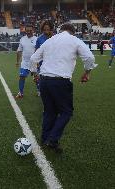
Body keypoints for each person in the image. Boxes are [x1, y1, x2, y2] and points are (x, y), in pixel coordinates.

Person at [30, 23, 97, 153]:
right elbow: (89, 57)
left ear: (60, 30)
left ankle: (44, 139)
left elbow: (33, 58)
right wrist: (87, 72)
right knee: (66, 112)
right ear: (73, 32)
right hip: (60, 80)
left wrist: (35, 74)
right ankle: (53, 139)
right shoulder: (74, 40)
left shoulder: (50, 40)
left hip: (44, 80)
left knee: (49, 111)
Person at [15, 25, 37, 99]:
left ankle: (39, 91)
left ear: (33, 30)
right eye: (27, 30)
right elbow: (19, 51)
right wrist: (17, 62)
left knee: (37, 78)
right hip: (25, 62)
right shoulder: (22, 39)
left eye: (30, 30)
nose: (29, 32)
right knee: (22, 77)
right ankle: (21, 92)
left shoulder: (37, 39)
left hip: (34, 62)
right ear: (25, 31)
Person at [34, 20, 54, 96]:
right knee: (40, 78)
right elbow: (36, 51)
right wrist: (36, 62)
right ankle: (39, 89)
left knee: (51, 78)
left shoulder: (55, 38)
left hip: (52, 62)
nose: (46, 31)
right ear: (42, 29)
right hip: (41, 62)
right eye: (44, 30)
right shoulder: (39, 39)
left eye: (48, 29)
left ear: (51, 29)